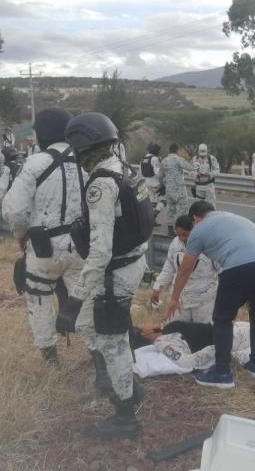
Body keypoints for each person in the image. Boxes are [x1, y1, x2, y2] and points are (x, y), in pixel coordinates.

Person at [61, 111, 154, 440]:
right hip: (130, 263)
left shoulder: (100, 183)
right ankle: (127, 383)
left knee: (111, 340)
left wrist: (73, 299)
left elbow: (99, 252)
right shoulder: (124, 170)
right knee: (91, 327)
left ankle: (125, 416)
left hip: (114, 273)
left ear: (81, 148)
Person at [165, 201, 255, 389]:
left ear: (195, 218)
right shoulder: (232, 217)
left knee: (222, 319)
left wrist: (174, 298)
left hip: (238, 266)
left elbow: (185, 269)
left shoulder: (199, 229)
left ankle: (222, 373)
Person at [2, 107, 84, 365]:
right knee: (85, 299)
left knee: (39, 299)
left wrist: (22, 235)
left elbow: (14, 210)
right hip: (80, 246)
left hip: (43, 247)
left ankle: (50, 358)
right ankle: (99, 358)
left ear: (42, 134)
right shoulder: (85, 161)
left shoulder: (34, 163)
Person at [132, 319, 255, 378]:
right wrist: (215, 351)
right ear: (146, 335)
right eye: (143, 326)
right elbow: (186, 363)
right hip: (227, 340)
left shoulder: (166, 329)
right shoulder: (165, 344)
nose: (146, 322)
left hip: (225, 328)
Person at [151, 215, 218, 324]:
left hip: (204, 300)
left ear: (193, 230)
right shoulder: (175, 243)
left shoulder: (208, 244)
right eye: (179, 235)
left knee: (203, 334)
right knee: (175, 331)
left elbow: (222, 270)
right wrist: (158, 287)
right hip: (180, 298)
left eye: (185, 234)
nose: (182, 238)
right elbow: (169, 266)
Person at [159, 143, 195, 237]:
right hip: (179, 189)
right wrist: (197, 164)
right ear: (177, 150)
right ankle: (183, 229)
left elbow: (160, 176)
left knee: (171, 210)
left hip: (169, 190)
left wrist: (164, 185)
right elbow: (190, 168)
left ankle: (170, 230)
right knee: (183, 210)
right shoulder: (178, 159)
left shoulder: (164, 161)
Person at [140, 142, 164, 225]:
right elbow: (158, 173)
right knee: (164, 200)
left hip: (146, 183)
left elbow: (141, 172)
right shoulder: (154, 159)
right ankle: (152, 218)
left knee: (151, 203)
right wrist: (162, 184)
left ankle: (151, 221)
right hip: (155, 183)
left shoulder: (144, 158)